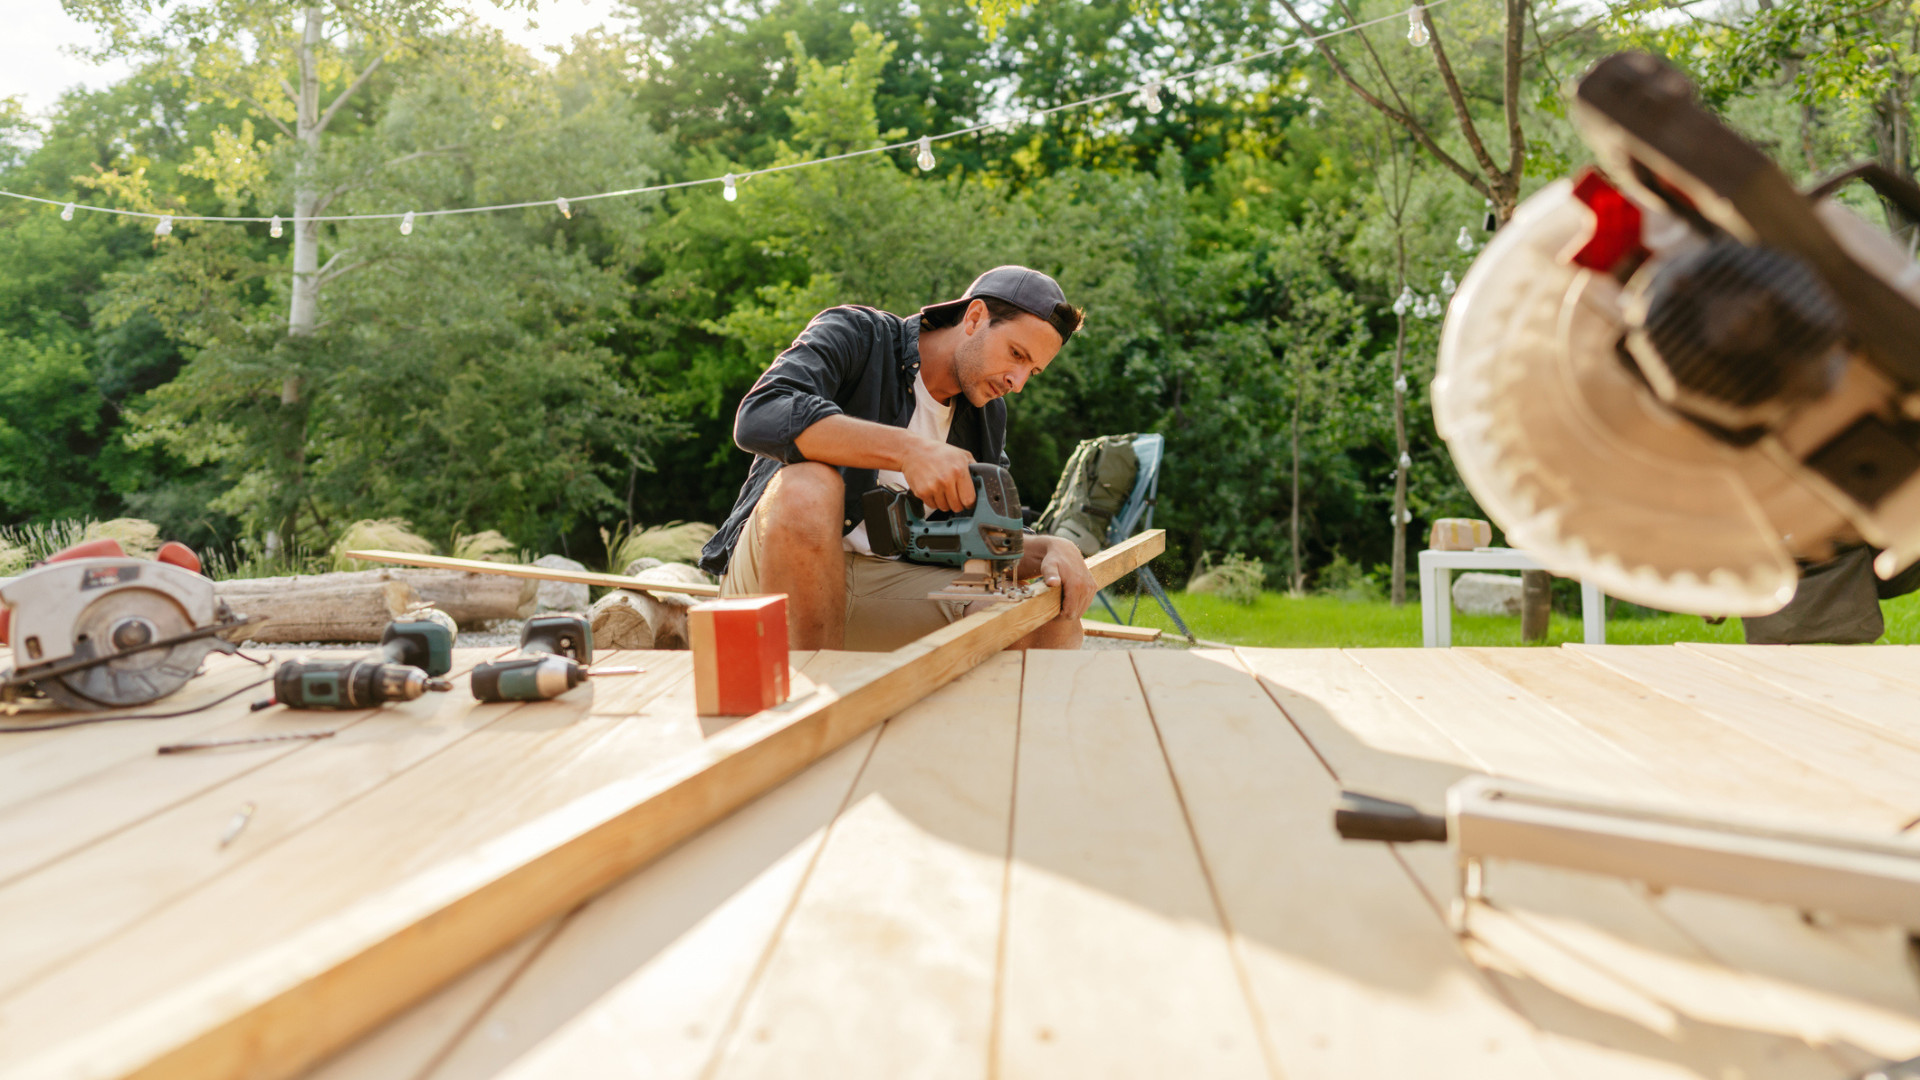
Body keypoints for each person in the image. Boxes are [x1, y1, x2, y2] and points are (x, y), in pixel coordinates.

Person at [697, 266, 1097, 651]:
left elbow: (982, 539)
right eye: (1016, 353)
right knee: (809, 486)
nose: (1018, 381)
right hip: (772, 580)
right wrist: (908, 450)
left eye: (1033, 370)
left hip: (881, 586)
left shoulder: (987, 414)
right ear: (975, 317)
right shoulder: (859, 335)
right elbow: (760, 414)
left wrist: (1046, 548)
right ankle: (816, 708)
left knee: (1043, 625)